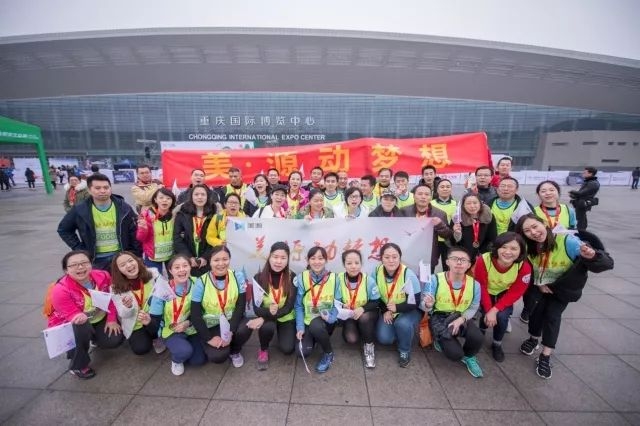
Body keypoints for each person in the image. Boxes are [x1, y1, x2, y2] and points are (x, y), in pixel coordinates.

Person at [515, 214, 613, 379]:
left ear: (544, 223)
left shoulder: (568, 241)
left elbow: (605, 263)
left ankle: (545, 355)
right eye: (527, 231)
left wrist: (592, 256)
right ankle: (533, 339)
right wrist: (539, 284)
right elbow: (528, 269)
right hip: (540, 288)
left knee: (552, 316)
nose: (533, 232)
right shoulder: (528, 246)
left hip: (562, 290)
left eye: (535, 226)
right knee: (535, 313)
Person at [45, 250, 123, 379]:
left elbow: (111, 298)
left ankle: (95, 338)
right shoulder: (60, 290)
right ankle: (78, 365)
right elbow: (72, 316)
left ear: (91, 264)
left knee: (114, 339)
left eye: (84, 263)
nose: (80, 267)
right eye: (74, 265)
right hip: (73, 324)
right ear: (66, 270)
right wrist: (77, 317)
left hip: (98, 317)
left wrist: (111, 319)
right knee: (81, 325)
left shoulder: (103, 276)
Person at [58, 173, 141, 271]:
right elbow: (64, 229)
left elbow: (134, 231)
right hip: (96, 260)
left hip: (121, 257)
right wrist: (79, 249)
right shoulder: (80, 209)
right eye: (97, 188)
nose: (103, 191)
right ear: (89, 190)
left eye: (106, 187)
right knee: (100, 281)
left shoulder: (124, 207)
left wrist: (135, 254)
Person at [423, 246, 484, 378]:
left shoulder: (475, 285)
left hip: (460, 316)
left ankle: (469, 357)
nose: (459, 262)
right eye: (455, 258)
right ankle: (439, 340)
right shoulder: (434, 279)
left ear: (469, 264)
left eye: (463, 260)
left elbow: (474, 307)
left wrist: (461, 319)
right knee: (455, 354)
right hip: (440, 317)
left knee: (477, 337)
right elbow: (424, 307)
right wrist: (428, 304)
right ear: (447, 262)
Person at [190, 246, 253, 367]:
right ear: (210, 261)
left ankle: (235, 351)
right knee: (218, 357)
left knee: (246, 327)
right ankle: (206, 343)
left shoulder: (238, 276)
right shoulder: (201, 281)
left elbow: (240, 305)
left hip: (232, 320)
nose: (221, 264)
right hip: (211, 324)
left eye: (225, 259)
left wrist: (231, 331)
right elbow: (195, 314)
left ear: (230, 260)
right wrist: (209, 339)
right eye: (216, 260)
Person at [474, 232, 532, 362]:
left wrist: (494, 310)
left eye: (514, 248)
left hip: (505, 293)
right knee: (485, 312)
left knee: (502, 317)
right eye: (504, 247)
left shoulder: (524, 266)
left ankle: (497, 344)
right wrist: (489, 310)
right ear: (497, 247)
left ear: (521, 251)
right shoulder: (484, 259)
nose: (508, 252)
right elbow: (481, 285)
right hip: (485, 291)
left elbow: (516, 292)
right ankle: (481, 332)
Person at [148, 254, 206, 375]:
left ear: (190, 267)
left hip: (191, 327)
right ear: (170, 271)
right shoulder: (162, 289)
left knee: (198, 361)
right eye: (177, 267)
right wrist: (148, 322)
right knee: (184, 352)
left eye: (185, 266)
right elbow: (154, 322)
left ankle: (184, 347)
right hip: (171, 330)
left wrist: (188, 322)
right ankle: (176, 360)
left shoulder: (198, 283)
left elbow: (202, 309)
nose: (182, 270)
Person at [247, 242, 297, 370]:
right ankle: (263, 349)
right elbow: (257, 309)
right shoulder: (258, 278)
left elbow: (289, 307)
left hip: (285, 317)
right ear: (269, 257)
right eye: (275, 257)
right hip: (268, 316)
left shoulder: (292, 277)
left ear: (288, 260)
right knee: (268, 327)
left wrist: (265, 317)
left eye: (283, 258)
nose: (278, 261)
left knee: (288, 349)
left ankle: (281, 331)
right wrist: (266, 315)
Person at [374, 243, 421, 367]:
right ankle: (403, 333)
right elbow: (376, 297)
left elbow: (416, 301)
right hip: (389, 310)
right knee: (385, 339)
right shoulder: (377, 272)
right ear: (381, 258)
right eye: (387, 257)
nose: (391, 260)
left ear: (400, 258)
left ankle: (404, 350)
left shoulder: (408, 275)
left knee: (402, 324)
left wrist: (397, 308)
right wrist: (385, 310)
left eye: (395, 257)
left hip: (409, 309)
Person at [110, 252, 165, 355]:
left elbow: (165, 292)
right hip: (136, 322)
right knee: (141, 348)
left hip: (154, 315)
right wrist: (128, 306)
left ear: (137, 260)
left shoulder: (153, 273)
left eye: (130, 260)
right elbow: (123, 314)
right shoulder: (115, 288)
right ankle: (149, 335)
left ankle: (156, 336)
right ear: (118, 270)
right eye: (122, 265)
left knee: (157, 329)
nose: (129, 265)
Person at [294, 246, 339, 373]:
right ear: (308, 260)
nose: (317, 262)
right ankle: (316, 338)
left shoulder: (334, 278)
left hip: (326, 321)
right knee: (302, 351)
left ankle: (329, 353)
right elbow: (298, 306)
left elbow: (338, 304)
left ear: (326, 260)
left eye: (320, 258)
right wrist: (300, 327)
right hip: (308, 321)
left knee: (316, 326)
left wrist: (331, 318)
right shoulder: (302, 278)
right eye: (313, 258)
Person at [336, 250, 380, 368]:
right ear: (344, 264)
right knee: (351, 339)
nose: (353, 266)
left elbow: (376, 301)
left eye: (357, 262)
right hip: (349, 315)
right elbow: (335, 300)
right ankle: (362, 330)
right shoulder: (338, 279)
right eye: (349, 263)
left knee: (364, 318)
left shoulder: (369, 280)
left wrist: (363, 308)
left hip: (367, 312)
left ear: (361, 263)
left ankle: (369, 346)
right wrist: (342, 305)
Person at [399, 184, 452, 272]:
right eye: (420, 194)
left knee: (426, 279)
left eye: (427, 194)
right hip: (407, 255)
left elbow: (447, 235)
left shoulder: (439, 213)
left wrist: (440, 225)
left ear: (430, 197)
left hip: (428, 256)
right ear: (414, 196)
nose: (423, 197)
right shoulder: (404, 211)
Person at [173, 184, 215, 277]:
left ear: (207, 196)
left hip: (208, 260)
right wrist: (189, 257)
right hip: (187, 260)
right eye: (196, 194)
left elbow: (216, 238)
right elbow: (176, 237)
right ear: (191, 196)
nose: (200, 197)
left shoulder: (214, 214)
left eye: (203, 194)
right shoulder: (182, 213)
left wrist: (205, 257)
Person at [136, 188, 177, 274]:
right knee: (155, 280)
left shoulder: (175, 215)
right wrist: (143, 229)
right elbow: (140, 238)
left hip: (171, 255)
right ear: (155, 199)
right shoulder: (146, 215)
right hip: (152, 257)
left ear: (172, 201)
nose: (164, 200)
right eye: (161, 198)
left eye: (168, 198)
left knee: (174, 279)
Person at [451, 192, 497, 258]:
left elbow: (492, 238)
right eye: (468, 203)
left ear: (480, 204)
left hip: (482, 254)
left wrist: (482, 253)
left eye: (475, 203)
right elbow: (452, 242)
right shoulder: (457, 219)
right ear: (463, 205)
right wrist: (457, 233)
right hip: (462, 255)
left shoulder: (488, 217)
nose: (472, 206)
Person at [431, 179, 457, 270]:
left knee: (448, 267)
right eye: (442, 187)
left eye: (448, 187)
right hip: (433, 240)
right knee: (430, 265)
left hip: (449, 240)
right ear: (437, 190)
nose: (445, 189)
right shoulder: (430, 204)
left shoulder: (456, 205)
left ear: (451, 189)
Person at [569, 167, 600, 231]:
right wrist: (574, 196)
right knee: (582, 217)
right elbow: (582, 193)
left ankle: (580, 231)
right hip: (582, 202)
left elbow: (582, 193)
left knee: (580, 218)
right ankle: (582, 230)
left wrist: (573, 192)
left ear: (590, 173)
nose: (583, 173)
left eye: (585, 172)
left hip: (583, 203)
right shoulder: (589, 182)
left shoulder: (593, 183)